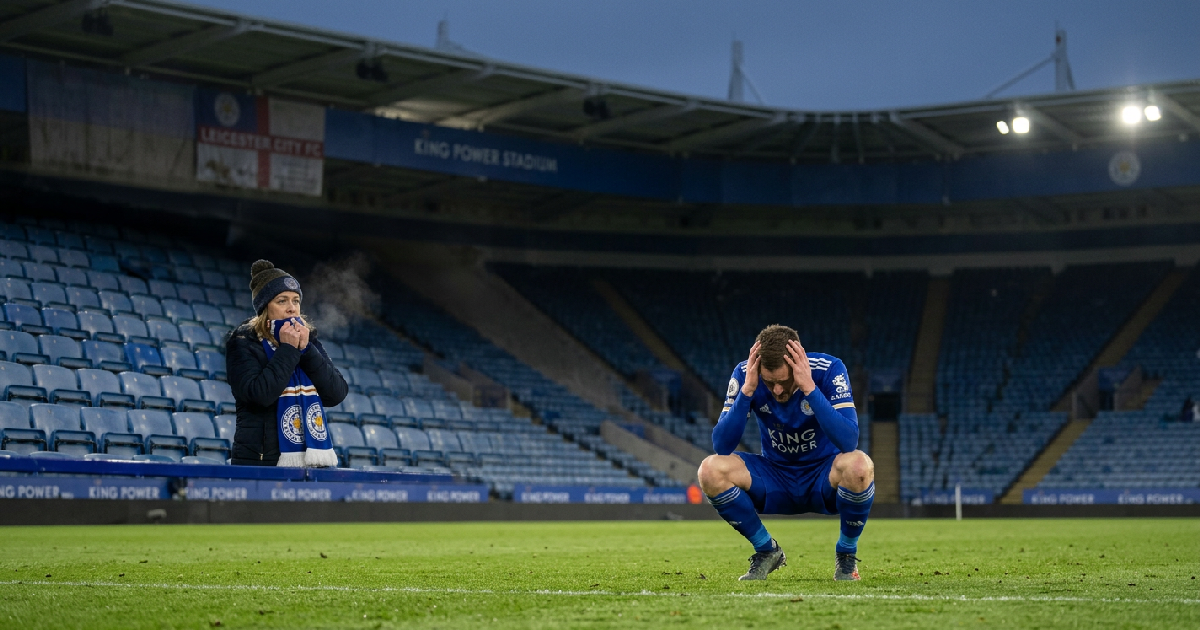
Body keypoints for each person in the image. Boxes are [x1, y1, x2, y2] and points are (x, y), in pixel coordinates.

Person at [697, 324, 874, 581]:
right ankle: (767, 550)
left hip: (822, 476)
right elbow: (722, 446)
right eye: (770, 383)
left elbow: (849, 441)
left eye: (783, 381)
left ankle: (846, 555)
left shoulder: (829, 369)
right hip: (775, 475)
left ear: (797, 365)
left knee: (859, 465)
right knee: (710, 469)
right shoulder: (747, 374)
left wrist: (809, 388)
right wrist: (747, 391)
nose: (777, 390)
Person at [227, 260, 348, 467]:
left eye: (296, 300)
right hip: (261, 462)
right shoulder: (243, 342)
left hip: (309, 462)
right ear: (265, 307)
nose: (292, 309)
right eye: (282, 301)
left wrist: (307, 350)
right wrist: (289, 349)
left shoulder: (309, 340)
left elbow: (336, 393)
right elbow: (259, 395)